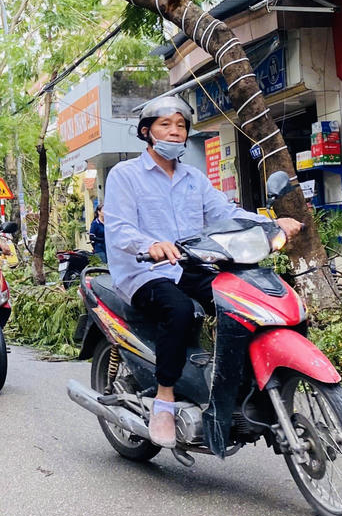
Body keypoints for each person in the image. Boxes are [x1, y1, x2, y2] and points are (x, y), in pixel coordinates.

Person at [102, 96, 301, 448]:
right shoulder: (125, 175)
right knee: (179, 310)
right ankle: (164, 400)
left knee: (245, 299)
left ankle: (235, 383)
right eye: (165, 125)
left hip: (191, 264)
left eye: (181, 126)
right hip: (145, 271)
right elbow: (118, 228)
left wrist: (272, 224)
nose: (175, 132)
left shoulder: (194, 178)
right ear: (147, 132)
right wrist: (149, 245)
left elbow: (225, 213)